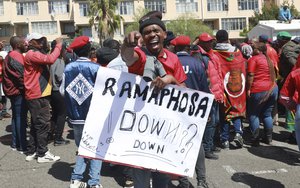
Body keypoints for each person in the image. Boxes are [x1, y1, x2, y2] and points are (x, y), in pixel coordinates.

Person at [121, 11, 187, 188]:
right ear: (142, 37)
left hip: (164, 130)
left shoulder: (173, 59)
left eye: (156, 30)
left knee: (162, 180)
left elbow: (185, 92)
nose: (152, 35)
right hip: (140, 128)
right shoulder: (139, 56)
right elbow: (128, 57)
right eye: (147, 32)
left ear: (164, 34)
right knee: (141, 178)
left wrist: (171, 80)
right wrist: (126, 45)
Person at [60, 36, 103, 188]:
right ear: (89, 50)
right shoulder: (96, 68)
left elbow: (62, 91)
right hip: (93, 115)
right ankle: (94, 182)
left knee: (83, 147)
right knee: (96, 148)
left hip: (75, 116)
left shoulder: (68, 68)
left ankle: (76, 179)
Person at [171, 35, 209, 188]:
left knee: (177, 144)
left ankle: (183, 181)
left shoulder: (172, 61)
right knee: (197, 144)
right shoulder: (197, 63)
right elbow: (205, 89)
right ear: (188, 48)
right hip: (195, 109)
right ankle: (202, 180)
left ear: (176, 47)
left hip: (175, 108)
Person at [24, 33, 62, 163]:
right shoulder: (32, 53)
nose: (42, 42)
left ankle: (32, 151)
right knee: (43, 124)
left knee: (36, 125)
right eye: (39, 40)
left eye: (43, 40)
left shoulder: (33, 53)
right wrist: (59, 45)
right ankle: (43, 153)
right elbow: (50, 59)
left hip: (36, 94)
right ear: (31, 42)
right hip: (38, 94)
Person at [191, 32, 223, 160]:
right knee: (210, 122)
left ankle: (210, 144)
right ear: (201, 43)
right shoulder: (198, 55)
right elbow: (203, 77)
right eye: (208, 41)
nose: (211, 43)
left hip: (215, 93)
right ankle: (207, 148)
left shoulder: (210, 54)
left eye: (211, 41)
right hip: (208, 93)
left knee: (215, 122)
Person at [213, 30, 246, 150]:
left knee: (224, 113)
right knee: (236, 110)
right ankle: (238, 133)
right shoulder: (237, 52)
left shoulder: (214, 53)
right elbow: (242, 66)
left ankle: (225, 140)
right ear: (227, 38)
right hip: (237, 84)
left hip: (223, 86)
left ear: (216, 39)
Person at [246, 42, 278, 146]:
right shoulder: (269, 60)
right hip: (273, 89)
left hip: (259, 89)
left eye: (253, 48)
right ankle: (268, 138)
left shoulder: (253, 59)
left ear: (258, 50)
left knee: (253, 114)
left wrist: (248, 89)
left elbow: (250, 75)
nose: (251, 49)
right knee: (267, 114)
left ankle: (255, 140)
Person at [2, 36, 28, 153]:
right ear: (18, 45)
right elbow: (21, 75)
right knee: (20, 118)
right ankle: (22, 145)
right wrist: (26, 88)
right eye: (24, 43)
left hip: (12, 91)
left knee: (16, 117)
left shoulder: (9, 55)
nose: (26, 44)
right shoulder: (15, 56)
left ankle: (15, 143)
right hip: (17, 92)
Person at [49, 40, 70, 146]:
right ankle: (58, 138)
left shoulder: (50, 59)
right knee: (62, 114)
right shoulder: (60, 61)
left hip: (51, 91)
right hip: (58, 91)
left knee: (55, 114)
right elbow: (59, 76)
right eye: (65, 49)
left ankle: (50, 134)